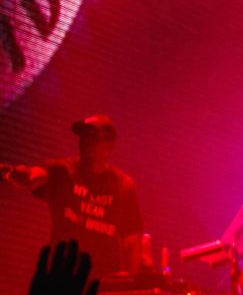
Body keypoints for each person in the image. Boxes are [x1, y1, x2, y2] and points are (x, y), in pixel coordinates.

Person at [1, 115, 143, 277]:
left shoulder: (123, 186)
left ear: (109, 145)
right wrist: (12, 173)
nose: (85, 141)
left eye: (93, 136)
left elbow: (131, 240)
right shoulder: (63, 171)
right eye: (83, 136)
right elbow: (34, 177)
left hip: (103, 283)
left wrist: (135, 282)